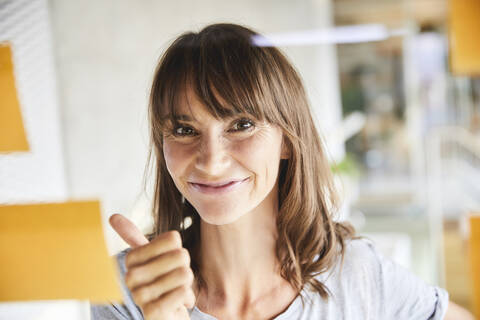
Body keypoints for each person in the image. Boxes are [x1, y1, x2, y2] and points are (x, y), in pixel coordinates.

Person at [91, 23, 472, 320]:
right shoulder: (132, 288)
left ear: (288, 138)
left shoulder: (357, 276)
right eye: (184, 130)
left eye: (240, 125)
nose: (210, 159)